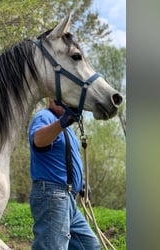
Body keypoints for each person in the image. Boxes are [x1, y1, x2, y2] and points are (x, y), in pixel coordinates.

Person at [28, 98, 100, 250]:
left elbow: (67, 160)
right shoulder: (44, 117)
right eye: (56, 98)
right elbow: (38, 140)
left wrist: (80, 184)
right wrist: (63, 122)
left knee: (89, 246)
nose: (60, 101)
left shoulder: (66, 128)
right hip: (52, 194)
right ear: (50, 100)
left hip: (68, 198)